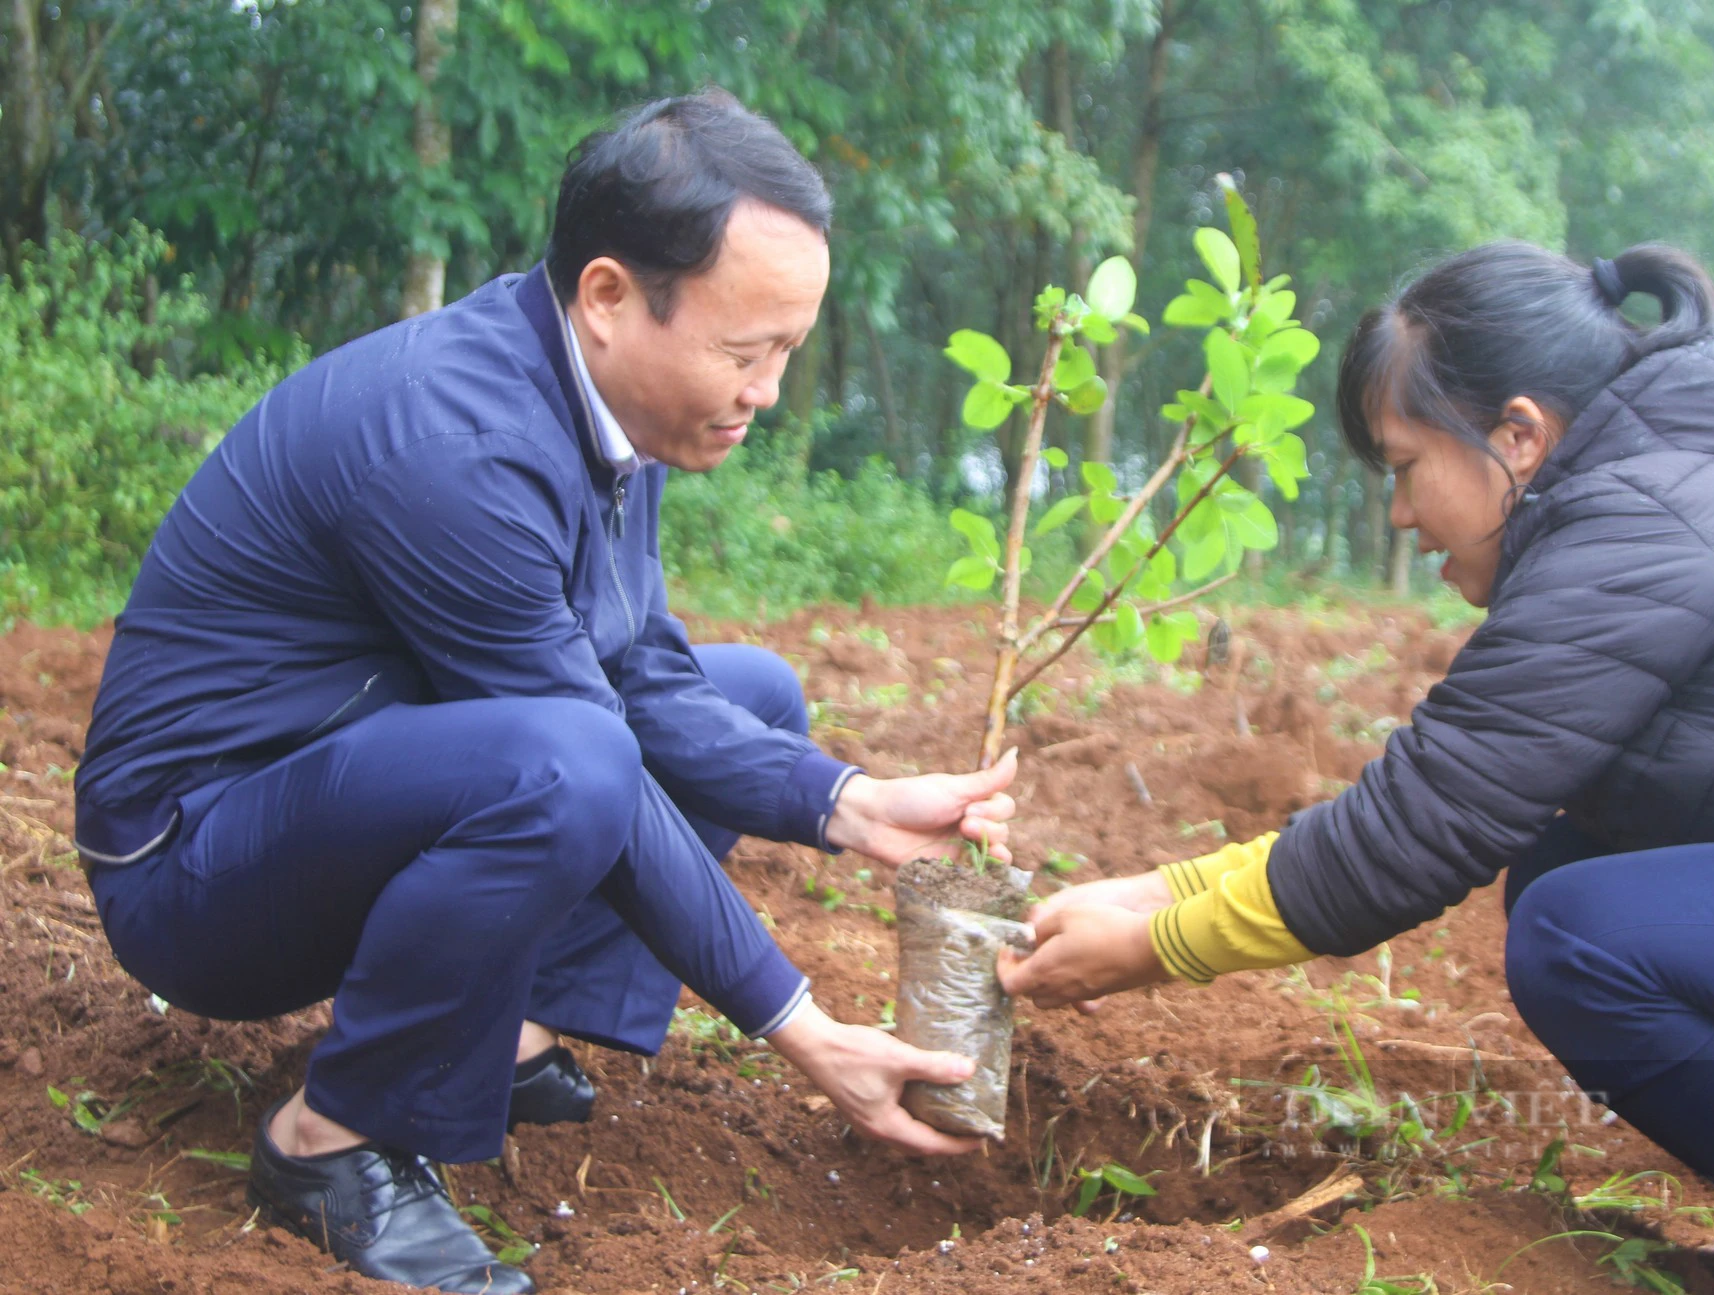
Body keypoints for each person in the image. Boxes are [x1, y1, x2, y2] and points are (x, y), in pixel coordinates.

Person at [75, 91, 1013, 1295]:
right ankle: (331, 1139)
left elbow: (642, 671)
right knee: (572, 765)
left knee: (757, 695)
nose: (766, 392)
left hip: (347, 775)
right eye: (745, 351)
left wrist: (846, 802)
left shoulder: (610, 405)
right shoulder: (453, 442)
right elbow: (596, 757)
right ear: (611, 297)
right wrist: (800, 1026)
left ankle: (499, 1023)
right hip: (200, 865)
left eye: (786, 350)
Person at [999, 241, 1714, 1295]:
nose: (1397, 513)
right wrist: (1153, 889)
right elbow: (1443, 798)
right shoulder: (1669, 498)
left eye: (1401, 466)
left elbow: (1414, 831)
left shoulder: (1639, 529)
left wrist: (1156, 940)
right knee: (1563, 860)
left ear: (1516, 434)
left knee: (1581, 937)